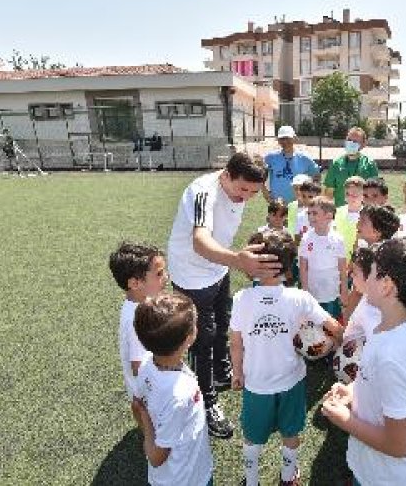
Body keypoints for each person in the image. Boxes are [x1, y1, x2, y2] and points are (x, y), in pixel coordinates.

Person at [167, 152, 282, 439]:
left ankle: (221, 373)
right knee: (202, 339)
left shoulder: (239, 191)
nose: (247, 197)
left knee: (223, 326)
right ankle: (207, 401)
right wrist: (238, 260)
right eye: (243, 189)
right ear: (227, 174)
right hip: (191, 274)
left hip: (218, 268)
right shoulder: (203, 191)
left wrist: (235, 260)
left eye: (255, 192)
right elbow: (200, 241)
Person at [321, 238, 406, 486]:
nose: (365, 277)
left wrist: (344, 419)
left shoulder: (392, 355)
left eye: (372, 272)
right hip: (371, 466)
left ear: (386, 285)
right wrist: (352, 390)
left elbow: (399, 445)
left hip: (384, 477)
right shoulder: (391, 328)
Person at [230, 230, 343, 486]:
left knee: (252, 437)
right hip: (292, 380)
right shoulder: (299, 298)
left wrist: (237, 373)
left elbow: (235, 343)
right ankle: (288, 477)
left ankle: (251, 480)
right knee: (291, 432)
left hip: (256, 383)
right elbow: (333, 327)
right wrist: (338, 344)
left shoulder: (242, 299)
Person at [131, 293, 214, 486]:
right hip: (188, 479)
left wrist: (145, 423)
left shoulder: (145, 364)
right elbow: (156, 457)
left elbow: (136, 404)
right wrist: (147, 423)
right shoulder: (181, 392)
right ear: (188, 338)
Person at [109, 242, 168, 400]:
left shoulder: (139, 302)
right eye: (159, 274)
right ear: (135, 284)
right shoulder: (138, 318)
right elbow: (138, 366)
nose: (166, 277)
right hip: (149, 394)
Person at [299, 196, 348, 319]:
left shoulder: (337, 239)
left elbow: (342, 269)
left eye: (315, 213)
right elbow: (303, 267)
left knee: (331, 322)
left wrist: (344, 291)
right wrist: (305, 291)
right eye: (309, 213)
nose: (310, 217)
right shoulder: (306, 239)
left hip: (332, 292)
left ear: (329, 216)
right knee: (314, 325)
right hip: (312, 292)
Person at [324, 127, 380, 207]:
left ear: (363, 144)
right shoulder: (336, 163)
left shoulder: (369, 164)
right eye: (349, 140)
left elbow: (375, 192)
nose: (351, 143)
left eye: (355, 141)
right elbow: (328, 193)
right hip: (341, 212)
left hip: (363, 213)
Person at [262, 125, 320, 203]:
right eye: (282, 139)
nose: (285, 141)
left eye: (288, 138)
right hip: (277, 204)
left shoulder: (304, 158)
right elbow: (260, 176)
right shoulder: (271, 158)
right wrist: (266, 194)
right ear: (278, 140)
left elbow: (316, 176)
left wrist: (311, 196)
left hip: (299, 205)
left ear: (294, 138)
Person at [334, 176, 365, 261]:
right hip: (337, 260)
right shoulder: (337, 212)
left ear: (363, 196)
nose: (350, 197)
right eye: (347, 194)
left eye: (354, 195)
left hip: (358, 262)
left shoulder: (367, 215)